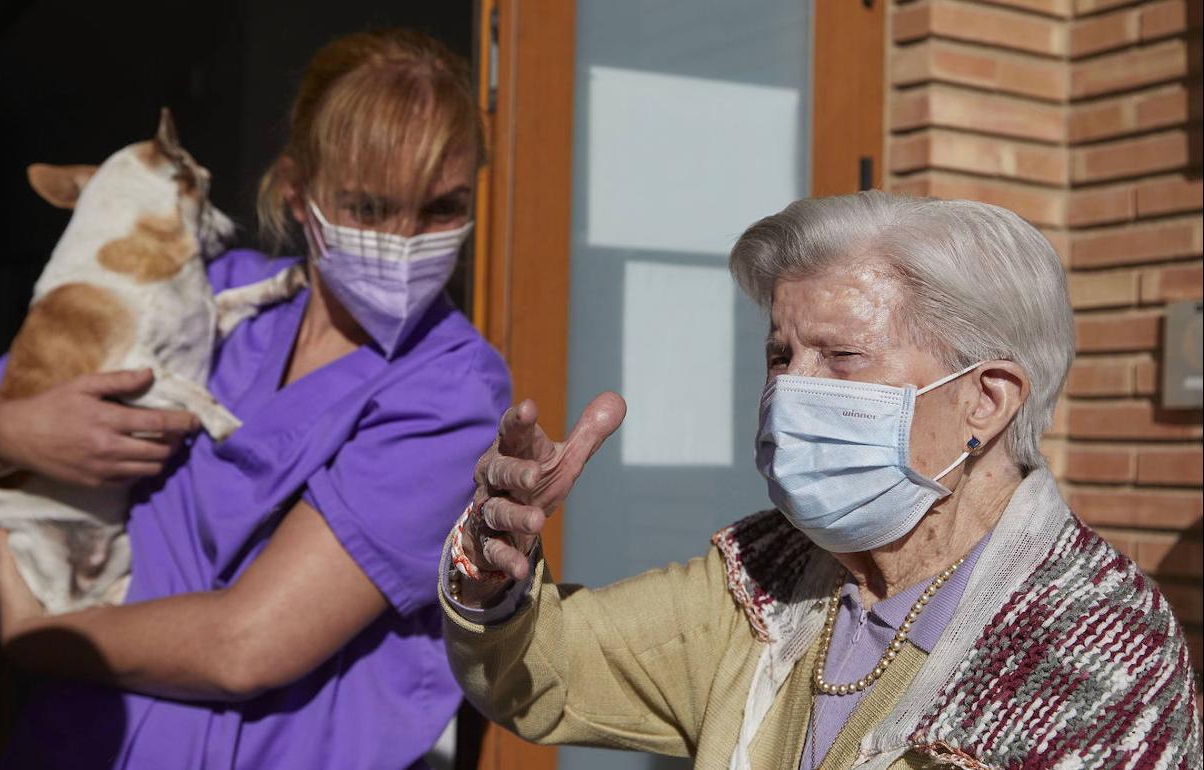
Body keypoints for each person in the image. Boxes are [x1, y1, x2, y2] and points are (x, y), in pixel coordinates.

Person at [440, 191, 1202, 769]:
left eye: (839, 357)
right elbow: (546, 669)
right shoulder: (768, 574)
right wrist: (489, 565)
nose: (789, 393)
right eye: (782, 356)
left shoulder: (1097, 650)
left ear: (985, 399)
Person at [0, 29, 509, 769]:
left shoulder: (453, 390)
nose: (404, 239)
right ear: (296, 191)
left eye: (442, 207)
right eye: (369, 207)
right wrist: (15, 430)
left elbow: (246, 645)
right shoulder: (207, 292)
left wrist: (43, 637)